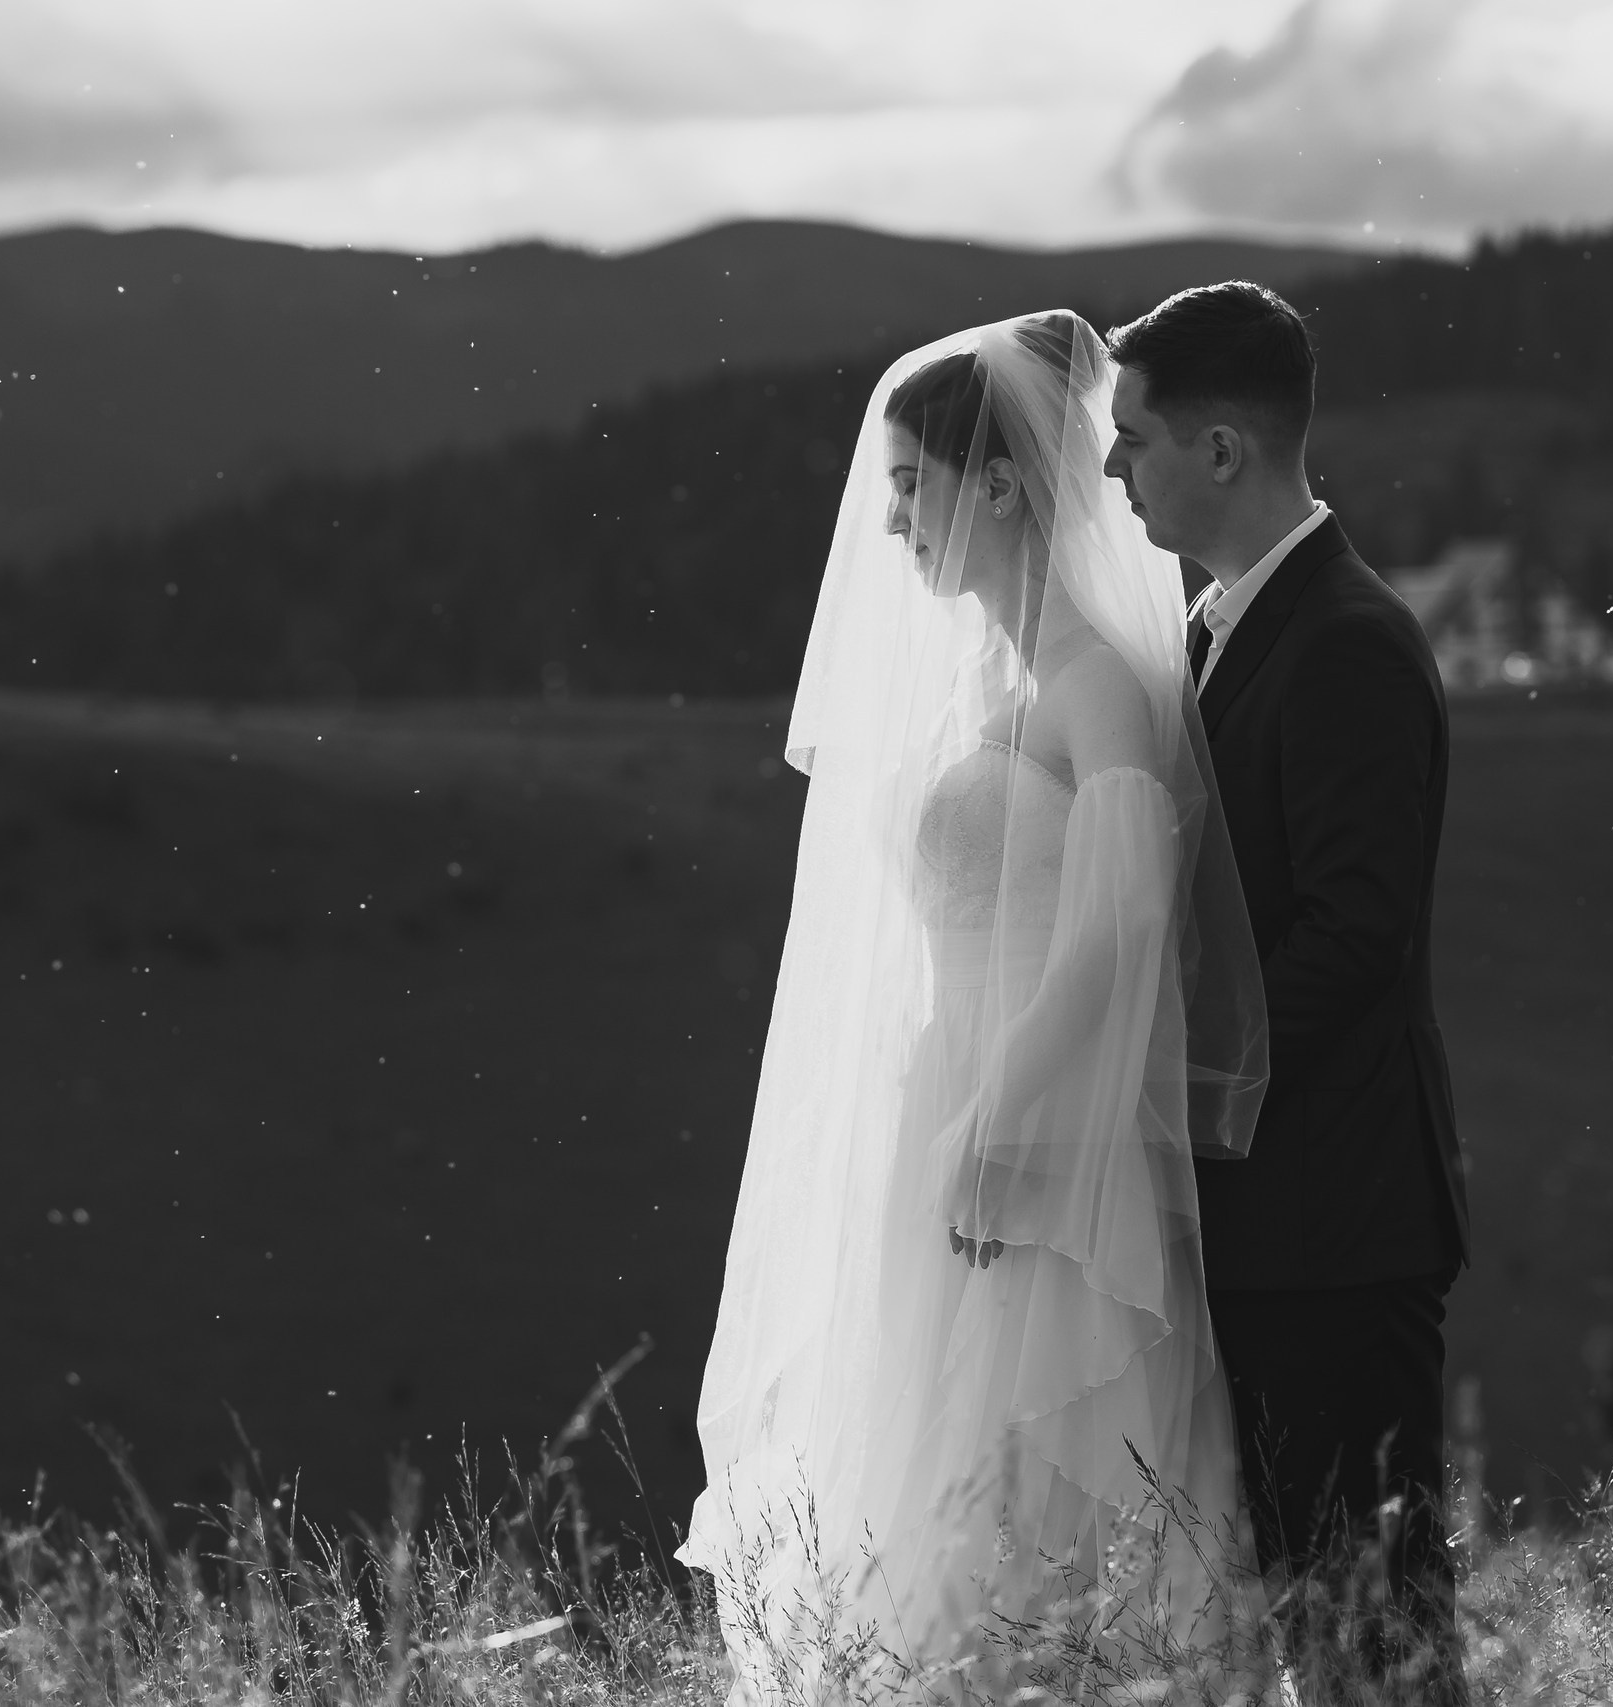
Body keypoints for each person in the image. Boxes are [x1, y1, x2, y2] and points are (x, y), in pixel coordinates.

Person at [675, 311, 1271, 1703]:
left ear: (996, 482)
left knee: (1025, 1500)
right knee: (923, 1482)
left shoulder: (1097, 689)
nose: (891, 526)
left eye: (910, 488)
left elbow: (1124, 921)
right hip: (961, 1111)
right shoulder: (999, 686)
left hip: (1039, 1133)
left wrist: (1005, 1112)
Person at [1104, 282, 1471, 1704]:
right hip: (1264, 1213)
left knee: (1375, 1623)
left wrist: (1157, 1087)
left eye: (1132, 442)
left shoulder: (1346, 642)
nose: (1113, 474)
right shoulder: (1217, 628)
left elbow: (1350, 941)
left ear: (1220, 453)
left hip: (1337, 1217)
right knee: (1310, 1618)